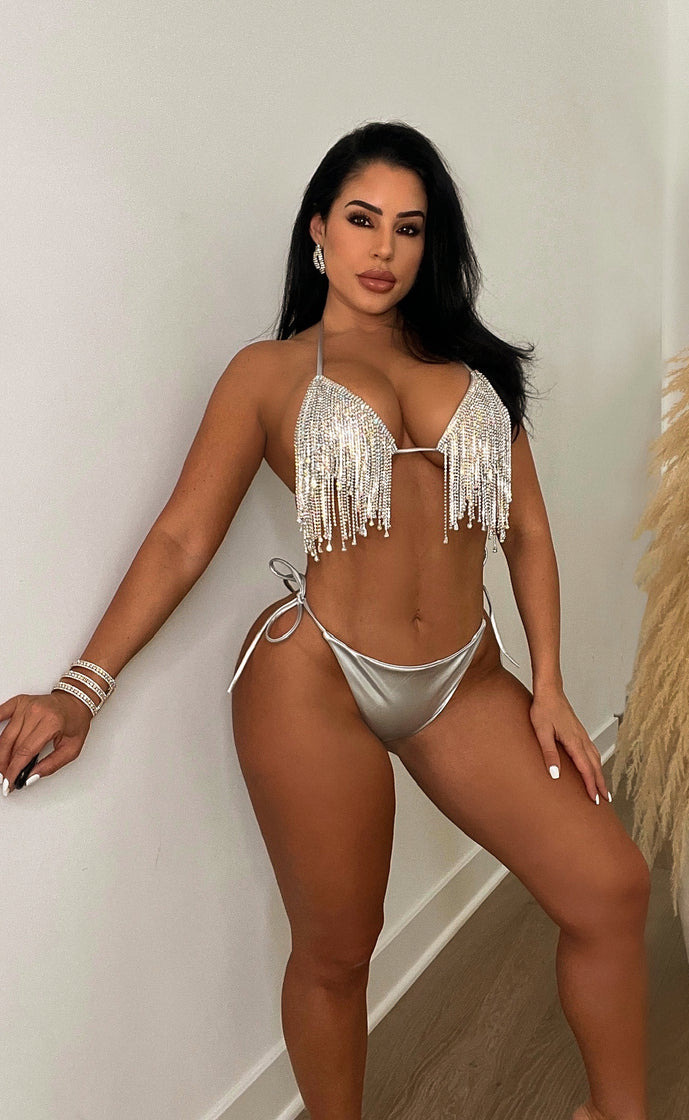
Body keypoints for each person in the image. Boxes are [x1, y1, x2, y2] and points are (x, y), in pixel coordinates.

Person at [0, 121, 650, 1120]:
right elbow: (182, 538)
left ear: (430, 244)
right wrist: (81, 689)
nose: (383, 248)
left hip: (464, 677)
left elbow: (525, 532)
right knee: (339, 951)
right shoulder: (265, 372)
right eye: (360, 219)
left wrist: (551, 684)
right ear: (317, 231)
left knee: (609, 889)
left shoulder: (475, 370)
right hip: (316, 681)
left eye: (408, 227)